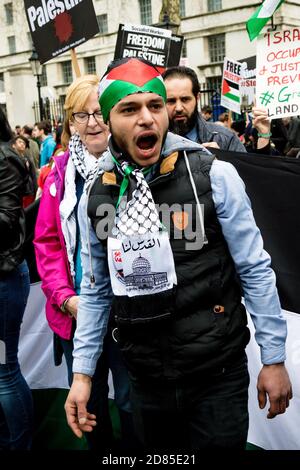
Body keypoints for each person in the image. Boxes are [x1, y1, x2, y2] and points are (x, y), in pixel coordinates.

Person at [64, 58, 292, 452]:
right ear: (108, 118)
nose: (147, 119)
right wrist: (83, 373)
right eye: (129, 109)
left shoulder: (213, 176)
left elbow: (255, 269)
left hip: (216, 375)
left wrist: (273, 359)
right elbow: (97, 290)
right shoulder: (99, 193)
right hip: (146, 379)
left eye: (155, 106)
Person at [34, 75, 133, 452]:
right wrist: (64, 296)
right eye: (81, 115)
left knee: (129, 399)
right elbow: (46, 242)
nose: (92, 122)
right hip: (78, 310)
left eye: (98, 113)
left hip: (127, 310)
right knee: (89, 402)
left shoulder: (133, 164)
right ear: (70, 123)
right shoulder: (59, 173)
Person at [0, 108, 33, 449]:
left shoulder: (7, 158)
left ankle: (19, 445)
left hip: (4, 278)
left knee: (4, 371)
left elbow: (8, 219)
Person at [10, 135, 38, 208]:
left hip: (28, 191)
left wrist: (36, 190)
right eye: (19, 142)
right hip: (15, 191)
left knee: (28, 211)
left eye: (24, 143)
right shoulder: (9, 160)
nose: (22, 144)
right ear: (13, 145)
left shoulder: (28, 160)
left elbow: (33, 175)